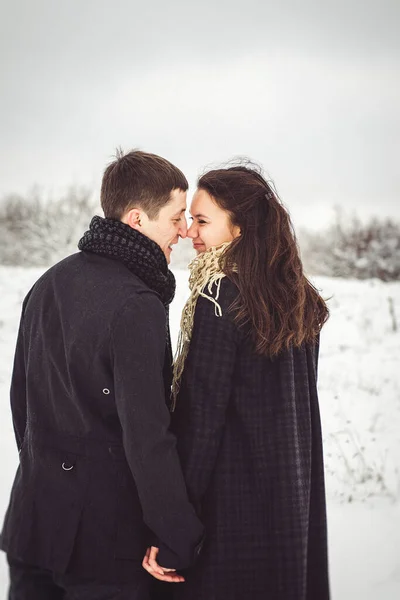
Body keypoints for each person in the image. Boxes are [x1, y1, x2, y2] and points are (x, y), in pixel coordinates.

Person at [0, 149, 204, 600]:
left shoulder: (47, 282)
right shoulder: (137, 305)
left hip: (33, 523)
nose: (185, 232)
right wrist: (179, 534)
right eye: (176, 218)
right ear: (136, 219)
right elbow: (148, 436)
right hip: (102, 547)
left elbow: (22, 405)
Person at [151, 164, 330, 599]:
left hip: (230, 515)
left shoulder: (219, 297)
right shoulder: (295, 295)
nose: (190, 231)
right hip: (289, 500)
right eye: (189, 218)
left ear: (239, 228)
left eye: (203, 220)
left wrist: (176, 528)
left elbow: (199, 423)